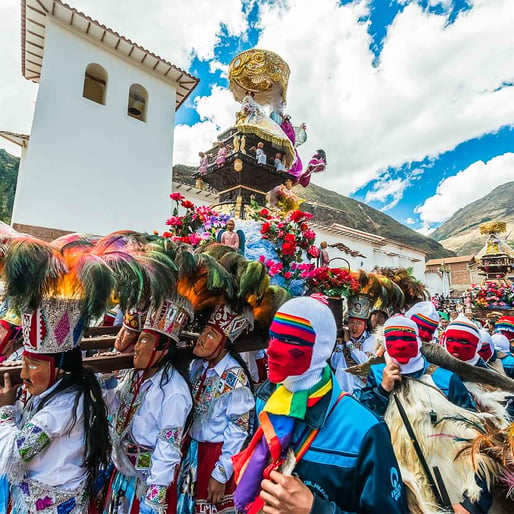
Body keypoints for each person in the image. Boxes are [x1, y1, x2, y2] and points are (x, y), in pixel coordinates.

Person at [232, 295, 408, 513]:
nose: (273, 350)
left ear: (322, 347)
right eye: (273, 337)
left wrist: (315, 509)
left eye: (291, 340)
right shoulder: (267, 401)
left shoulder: (365, 430)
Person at [0, 237, 112, 513]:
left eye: (34, 365)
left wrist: (5, 410)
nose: (25, 374)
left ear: (59, 367)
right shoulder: (54, 391)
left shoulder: (64, 405)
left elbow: (15, 454)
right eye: (24, 363)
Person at [359, 315, 495, 512]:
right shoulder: (377, 374)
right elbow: (366, 427)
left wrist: (470, 504)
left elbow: (476, 444)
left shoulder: (445, 379)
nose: (400, 346)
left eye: (406, 339)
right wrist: (382, 390)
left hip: (448, 491)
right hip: (398, 486)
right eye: (393, 339)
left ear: (417, 341)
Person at [103, 295, 193, 514]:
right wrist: (108, 385)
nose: (136, 348)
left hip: (146, 484)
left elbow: (168, 448)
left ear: (163, 350)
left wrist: (153, 500)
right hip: (122, 476)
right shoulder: (135, 375)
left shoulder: (174, 392)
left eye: (145, 342)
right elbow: (115, 412)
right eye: (139, 339)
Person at [178, 303, 255, 514]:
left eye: (210, 335)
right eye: (203, 332)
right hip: (193, 454)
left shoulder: (235, 378)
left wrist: (221, 473)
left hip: (215, 456)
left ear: (223, 344)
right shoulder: (199, 367)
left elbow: (238, 430)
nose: (201, 339)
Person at [331, 294, 375, 394]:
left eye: (359, 324)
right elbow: (335, 364)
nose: (354, 328)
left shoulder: (371, 339)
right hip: (341, 390)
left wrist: (348, 343)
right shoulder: (344, 336)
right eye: (351, 323)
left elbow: (364, 362)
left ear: (365, 326)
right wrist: (340, 345)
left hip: (361, 391)